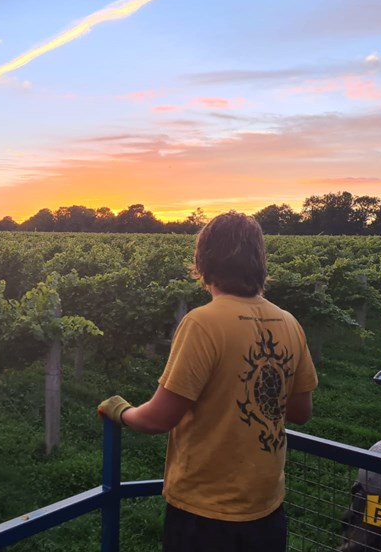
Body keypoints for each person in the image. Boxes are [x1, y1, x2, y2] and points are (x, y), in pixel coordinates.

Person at [98, 210, 318, 552]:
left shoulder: (202, 322)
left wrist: (120, 411)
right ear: (259, 261)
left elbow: (159, 418)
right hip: (267, 508)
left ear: (203, 261)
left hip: (206, 513)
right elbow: (301, 410)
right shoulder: (288, 322)